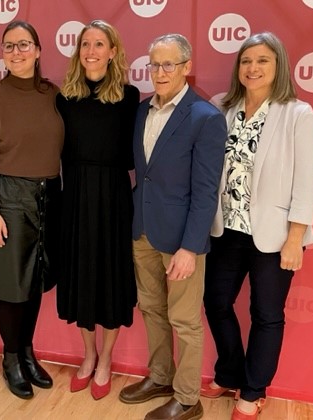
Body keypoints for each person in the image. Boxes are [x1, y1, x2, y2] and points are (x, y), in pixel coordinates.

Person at [201, 32, 313, 420]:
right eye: (247, 60)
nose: (253, 68)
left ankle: (253, 391)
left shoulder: (297, 113)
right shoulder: (222, 106)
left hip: (275, 235)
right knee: (216, 303)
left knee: (267, 314)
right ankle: (232, 372)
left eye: (262, 60)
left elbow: (307, 180)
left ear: (278, 66)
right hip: (226, 229)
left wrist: (296, 237)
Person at [118, 34, 227, 420]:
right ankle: (161, 377)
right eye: (154, 65)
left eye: (168, 65)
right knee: (151, 308)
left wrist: (190, 247)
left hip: (181, 240)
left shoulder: (206, 117)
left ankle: (187, 398)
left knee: (184, 320)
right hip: (143, 229)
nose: (160, 73)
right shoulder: (142, 110)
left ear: (185, 67)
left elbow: (205, 191)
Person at [0, 20, 63, 399]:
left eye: (24, 44)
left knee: (36, 281)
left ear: (39, 50)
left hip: (49, 195)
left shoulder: (54, 94)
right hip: (7, 198)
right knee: (11, 286)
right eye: (9, 46)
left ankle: (27, 352)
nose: (17, 52)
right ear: (2, 52)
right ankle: (11, 358)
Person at [56, 19, 139, 400]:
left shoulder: (130, 96)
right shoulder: (62, 98)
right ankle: (87, 356)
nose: (91, 50)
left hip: (113, 198)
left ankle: (106, 359)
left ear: (113, 51)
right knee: (81, 277)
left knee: (109, 278)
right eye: (85, 44)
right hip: (73, 195)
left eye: (99, 44)